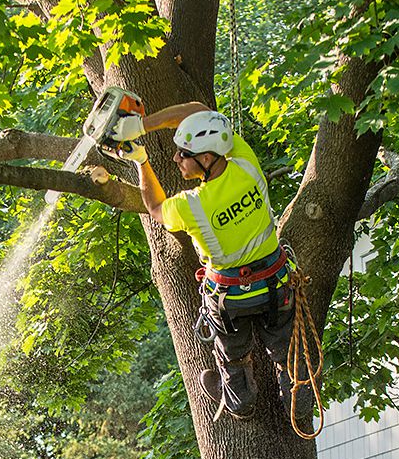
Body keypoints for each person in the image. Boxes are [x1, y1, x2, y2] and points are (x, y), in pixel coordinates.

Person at [110, 102, 310, 424]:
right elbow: (202, 112)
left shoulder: (192, 206)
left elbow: (156, 207)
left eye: (182, 154)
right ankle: (299, 406)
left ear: (205, 159)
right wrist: (142, 124)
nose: (176, 159)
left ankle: (241, 403)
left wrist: (141, 161)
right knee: (287, 351)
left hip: (230, 302)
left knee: (233, 358)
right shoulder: (247, 164)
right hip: (276, 287)